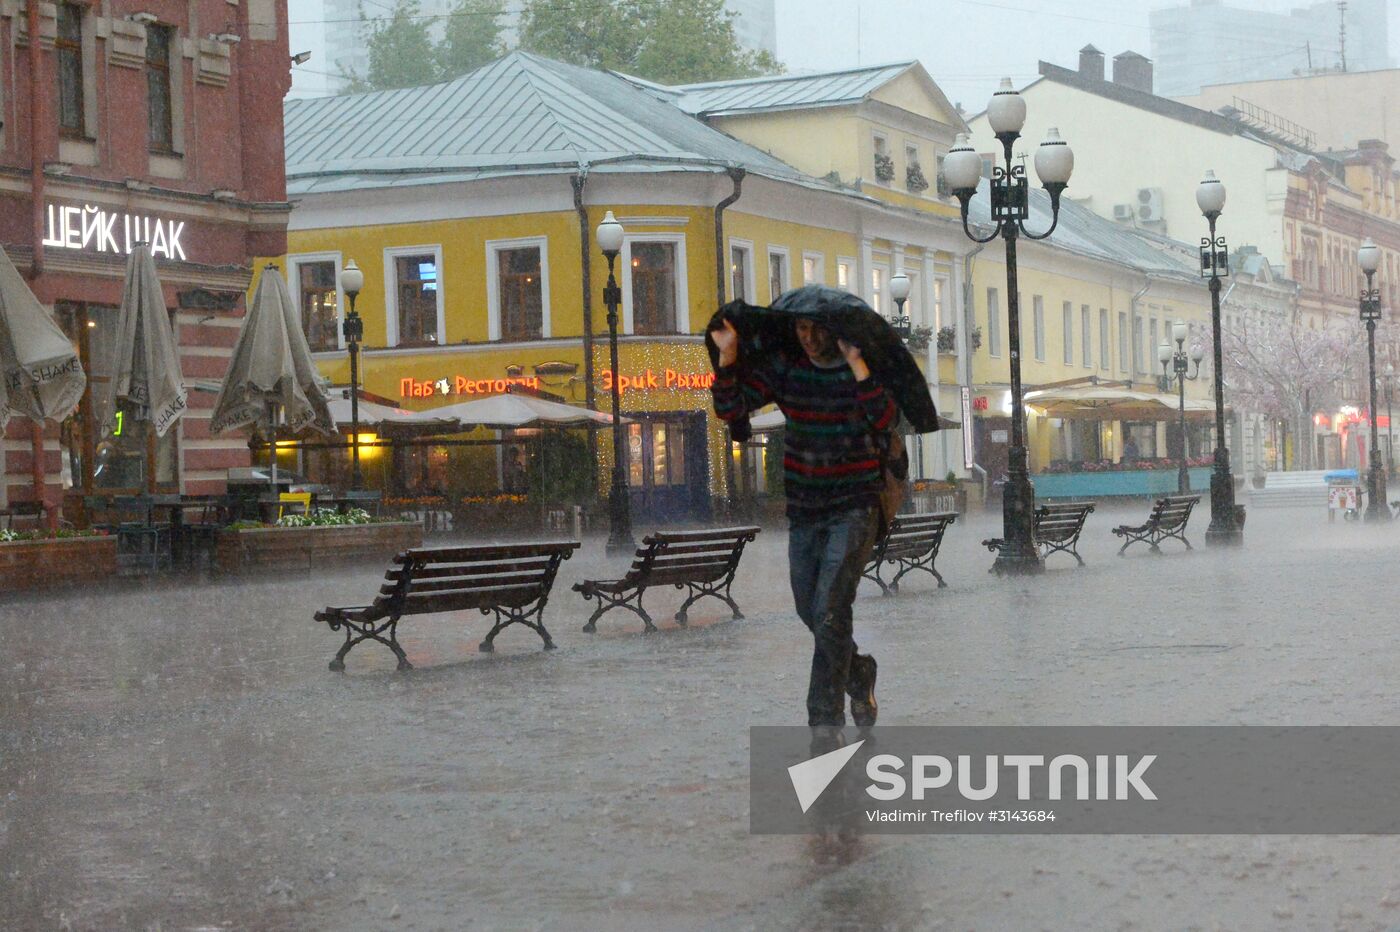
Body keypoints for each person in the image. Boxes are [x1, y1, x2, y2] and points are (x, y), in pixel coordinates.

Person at [709, 313, 896, 730]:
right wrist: (728, 357)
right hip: (806, 509)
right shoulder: (788, 372)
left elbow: (885, 418)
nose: (809, 337)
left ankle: (823, 722)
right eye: (802, 329)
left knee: (830, 609)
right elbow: (729, 407)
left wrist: (859, 364)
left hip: (854, 506)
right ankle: (858, 670)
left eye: (817, 328)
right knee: (809, 608)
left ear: (835, 329)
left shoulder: (862, 370)